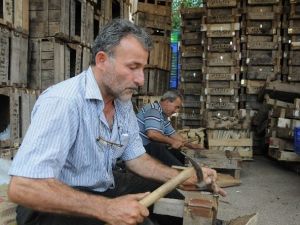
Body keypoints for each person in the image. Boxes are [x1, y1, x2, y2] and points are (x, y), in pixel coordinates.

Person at [7, 19, 224, 225]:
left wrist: (182, 177)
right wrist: (107, 208)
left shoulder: (122, 102)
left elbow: (137, 159)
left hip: (101, 188)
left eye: (143, 69)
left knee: (175, 201)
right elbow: (24, 188)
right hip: (51, 206)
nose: (140, 80)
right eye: (132, 67)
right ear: (102, 60)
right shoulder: (63, 101)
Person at [136, 90, 203, 167]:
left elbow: (173, 135)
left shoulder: (163, 116)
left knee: (177, 153)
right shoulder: (153, 110)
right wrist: (172, 142)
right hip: (140, 149)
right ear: (167, 102)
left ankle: (184, 168)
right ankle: (180, 171)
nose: (176, 111)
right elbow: (152, 134)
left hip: (147, 148)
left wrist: (191, 145)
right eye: (176, 107)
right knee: (159, 146)